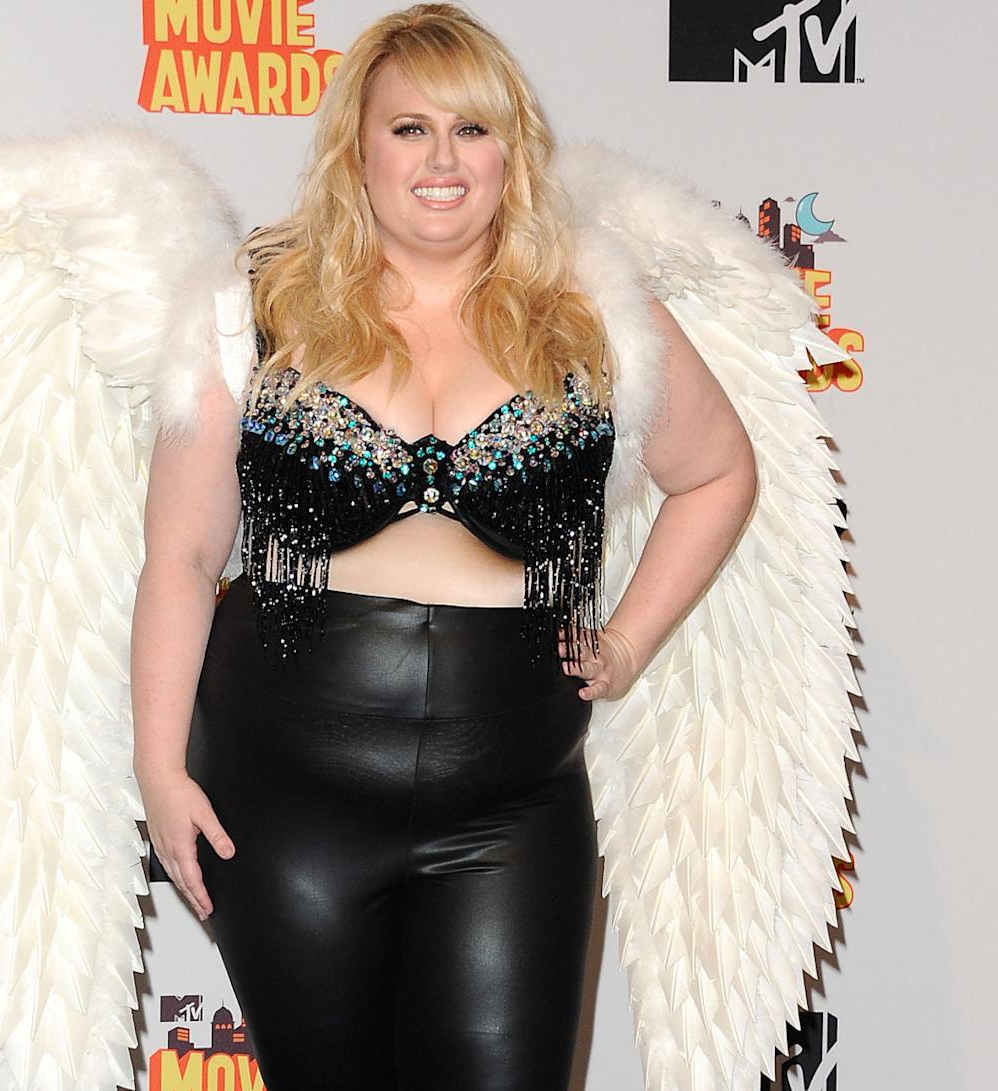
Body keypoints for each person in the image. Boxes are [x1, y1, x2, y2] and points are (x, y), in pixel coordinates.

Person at [131, 4, 758, 1088]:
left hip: (510, 804)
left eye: (472, 129)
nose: (441, 160)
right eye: (409, 128)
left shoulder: (593, 315)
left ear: (511, 150)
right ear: (357, 146)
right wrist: (156, 767)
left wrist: (627, 643)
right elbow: (182, 557)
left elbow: (716, 472)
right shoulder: (252, 305)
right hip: (283, 799)